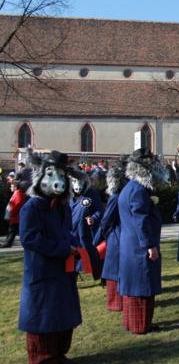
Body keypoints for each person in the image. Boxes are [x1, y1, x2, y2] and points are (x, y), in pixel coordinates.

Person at [18, 150, 82, 363]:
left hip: (62, 273)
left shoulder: (61, 207)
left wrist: (73, 245)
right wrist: (63, 248)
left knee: (61, 316)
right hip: (43, 273)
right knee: (44, 318)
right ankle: (43, 357)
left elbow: (67, 232)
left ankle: (57, 354)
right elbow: (30, 239)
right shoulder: (32, 207)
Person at [118, 148, 162, 334]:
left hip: (131, 245)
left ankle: (132, 323)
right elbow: (140, 221)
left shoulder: (129, 188)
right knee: (142, 288)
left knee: (134, 289)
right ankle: (141, 325)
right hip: (139, 247)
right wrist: (150, 245)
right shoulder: (137, 191)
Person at [94, 158, 128, 312]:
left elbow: (106, 220)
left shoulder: (115, 197)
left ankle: (116, 303)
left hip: (116, 237)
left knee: (114, 271)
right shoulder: (124, 194)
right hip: (122, 235)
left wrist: (103, 235)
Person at [69, 170, 104, 280]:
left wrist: (93, 218)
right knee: (71, 256)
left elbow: (100, 211)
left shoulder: (92, 194)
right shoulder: (68, 195)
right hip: (71, 233)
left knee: (91, 255)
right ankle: (71, 277)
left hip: (85, 233)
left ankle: (101, 275)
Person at [1, 172, 28, 248]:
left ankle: (8, 243)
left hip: (15, 217)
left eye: (12, 186)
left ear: (15, 187)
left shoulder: (18, 193)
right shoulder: (17, 193)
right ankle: (7, 242)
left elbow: (17, 204)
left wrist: (12, 212)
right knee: (11, 230)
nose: (10, 187)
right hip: (14, 216)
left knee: (12, 231)